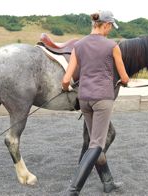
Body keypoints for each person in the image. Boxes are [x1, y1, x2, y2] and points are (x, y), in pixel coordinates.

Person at [62, 10, 129, 195]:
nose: (110, 31)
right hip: (102, 100)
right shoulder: (112, 46)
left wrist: (66, 87)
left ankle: (108, 182)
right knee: (97, 144)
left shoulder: (78, 45)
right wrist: (124, 81)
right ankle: (73, 189)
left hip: (84, 99)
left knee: (94, 141)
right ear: (105, 25)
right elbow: (124, 76)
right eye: (110, 27)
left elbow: (66, 79)